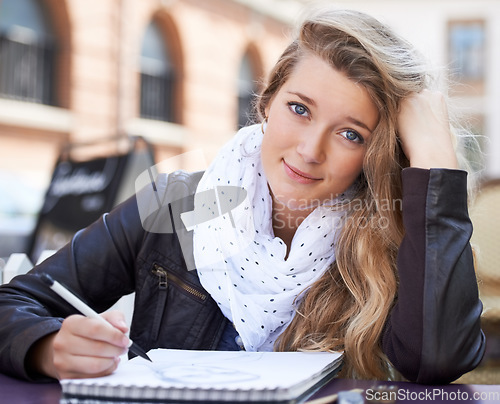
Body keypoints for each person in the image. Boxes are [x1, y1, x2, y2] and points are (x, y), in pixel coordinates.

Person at [0, 7, 484, 385]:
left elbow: (437, 363)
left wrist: (437, 165)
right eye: (299, 109)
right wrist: (44, 346)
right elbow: (14, 302)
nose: (309, 150)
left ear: (377, 153)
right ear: (267, 102)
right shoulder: (176, 205)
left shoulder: (391, 234)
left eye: (350, 135)